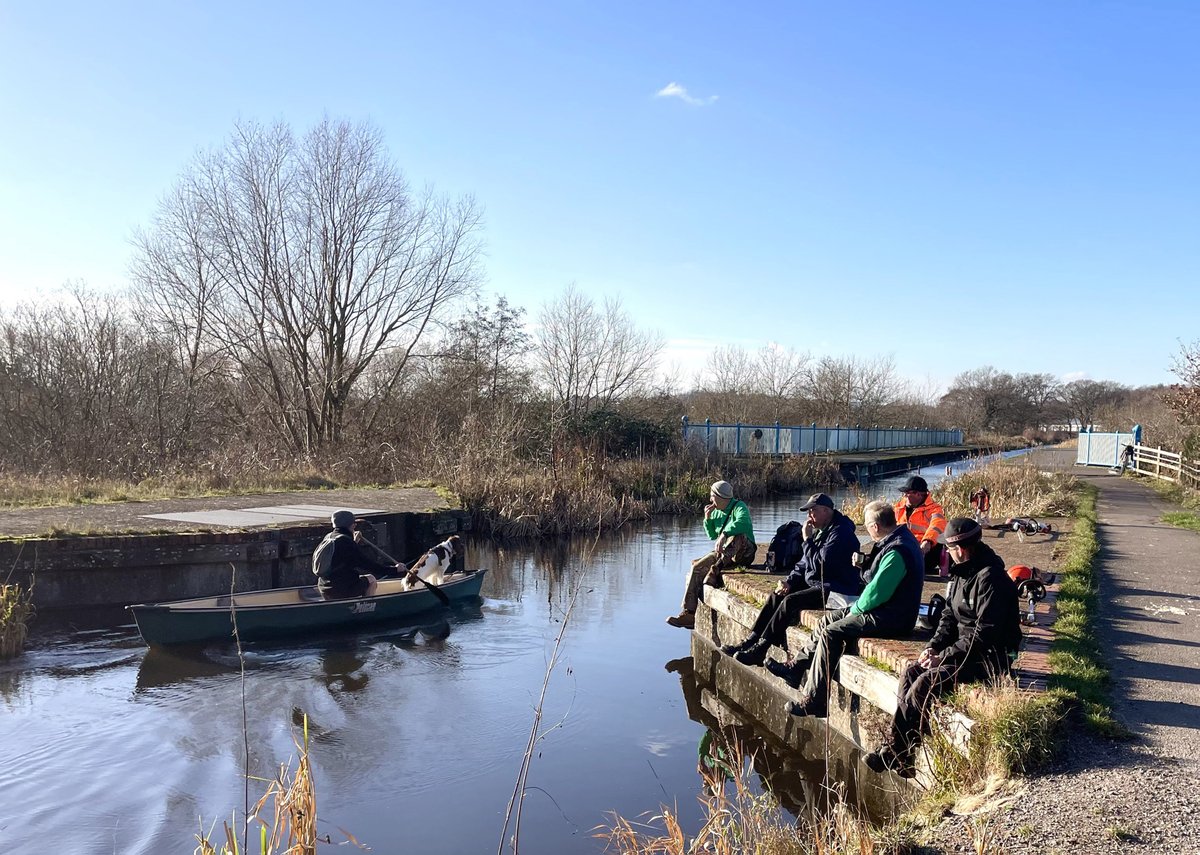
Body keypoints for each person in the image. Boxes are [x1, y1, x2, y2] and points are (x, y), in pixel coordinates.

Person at [864, 517, 1022, 777]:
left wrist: (945, 657)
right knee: (912, 672)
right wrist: (934, 647)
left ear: (959, 549)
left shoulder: (991, 579)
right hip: (963, 650)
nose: (947, 554)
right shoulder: (962, 574)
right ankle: (902, 754)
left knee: (925, 683)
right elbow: (949, 616)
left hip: (990, 656)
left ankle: (897, 751)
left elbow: (985, 634)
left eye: (948, 549)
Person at [775, 500, 924, 717]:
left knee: (831, 632)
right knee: (825, 620)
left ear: (875, 526)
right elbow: (877, 582)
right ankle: (797, 667)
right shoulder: (895, 541)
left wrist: (853, 611)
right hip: (884, 608)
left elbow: (877, 593)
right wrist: (865, 566)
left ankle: (815, 699)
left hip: (893, 616)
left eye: (867, 525)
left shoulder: (898, 550)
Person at [719, 493, 862, 666]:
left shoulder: (841, 533)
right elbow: (804, 563)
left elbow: (820, 565)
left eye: (813, 511)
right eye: (808, 512)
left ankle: (761, 649)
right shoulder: (822, 530)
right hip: (818, 582)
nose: (809, 516)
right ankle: (751, 640)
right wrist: (790, 581)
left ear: (826, 510)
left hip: (836, 589)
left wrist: (807, 539)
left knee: (790, 602)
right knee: (777, 594)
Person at [666, 480, 756, 629]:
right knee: (697, 567)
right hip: (724, 554)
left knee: (738, 536)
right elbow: (712, 535)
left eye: (712, 496)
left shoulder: (739, 507)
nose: (710, 500)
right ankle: (688, 613)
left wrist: (725, 534)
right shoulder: (716, 512)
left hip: (744, 553)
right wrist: (707, 519)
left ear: (720, 497)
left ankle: (715, 570)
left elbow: (743, 523)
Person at [313, 510, 407, 600]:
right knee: (371, 579)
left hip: (324, 588)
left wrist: (354, 542)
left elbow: (341, 557)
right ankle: (366, 606)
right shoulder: (347, 543)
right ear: (353, 525)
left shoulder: (329, 537)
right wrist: (395, 569)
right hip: (340, 591)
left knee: (350, 579)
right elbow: (369, 565)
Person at [894, 475, 947, 575]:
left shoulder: (934, 509)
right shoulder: (899, 508)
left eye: (906, 494)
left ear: (918, 494)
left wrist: (928, 541)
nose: (904, 497)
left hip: (924, 550)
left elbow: (937, 525)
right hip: (902, 546)